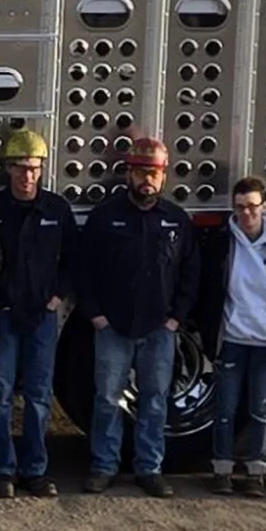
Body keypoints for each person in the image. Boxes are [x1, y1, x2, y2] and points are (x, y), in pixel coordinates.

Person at [75, 136, 197, 498]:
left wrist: (177, 317)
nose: (147, 180)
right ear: (129, 174)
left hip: (160, 328)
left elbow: (191, 272)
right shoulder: (105, 216)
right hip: (113, 326)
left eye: (154, 173)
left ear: (164, 177)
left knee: (155, 400)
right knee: (107, 399)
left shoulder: (176, 220)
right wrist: (95, 314)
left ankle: (150, 468)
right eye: (141, 172)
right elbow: (85, 271)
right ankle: (103, 466)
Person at [193, 175, 266, 497]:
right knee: (225, 410)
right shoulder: (221, 246)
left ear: (264, 207)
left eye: (253, 206)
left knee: (260, 411)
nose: (247, 214)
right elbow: (208, 293)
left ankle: (256, 471)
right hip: (232, 341)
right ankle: (222, 470)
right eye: (240, 207)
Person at [0, 128, 74, 498]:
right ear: (7, 169)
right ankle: (2, 471)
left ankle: (35, 471)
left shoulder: (56, 209)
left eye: (34, 168)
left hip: (42, 318)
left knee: (38, 396)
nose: (27, 176)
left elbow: (72, 259)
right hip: (2, 315)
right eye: (20, 168)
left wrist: (57, 297)